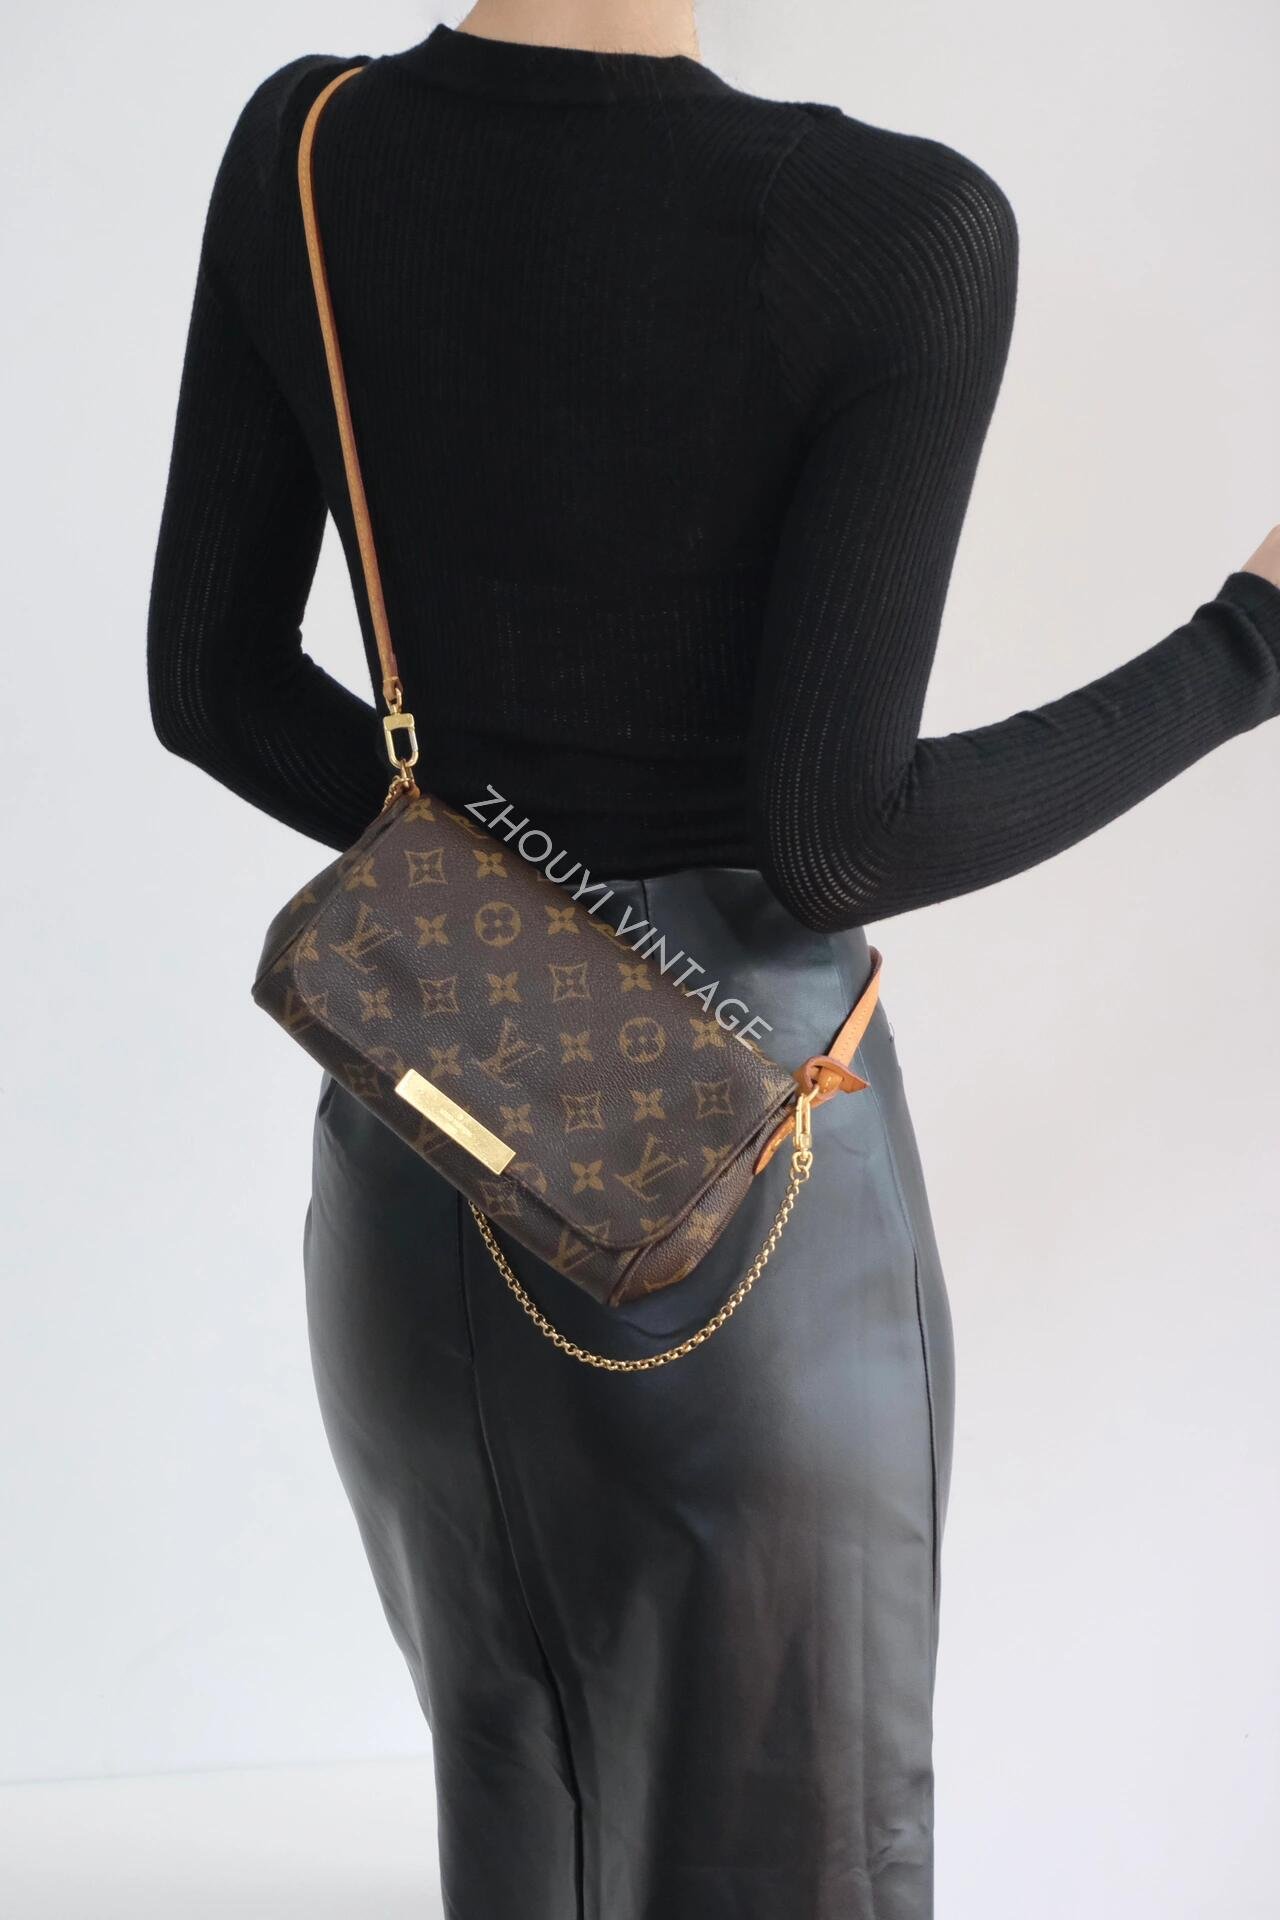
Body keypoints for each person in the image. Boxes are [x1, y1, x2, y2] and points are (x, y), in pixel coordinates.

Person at [146, 5, 1280, 1915]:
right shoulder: (893, 229)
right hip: (734, 1193)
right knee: (790, 1862)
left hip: (425, 1153)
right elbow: (841, 835)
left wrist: (510, 920)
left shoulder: (309, 151)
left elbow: (217, 684)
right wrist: (1248, 645)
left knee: (531, 1828)